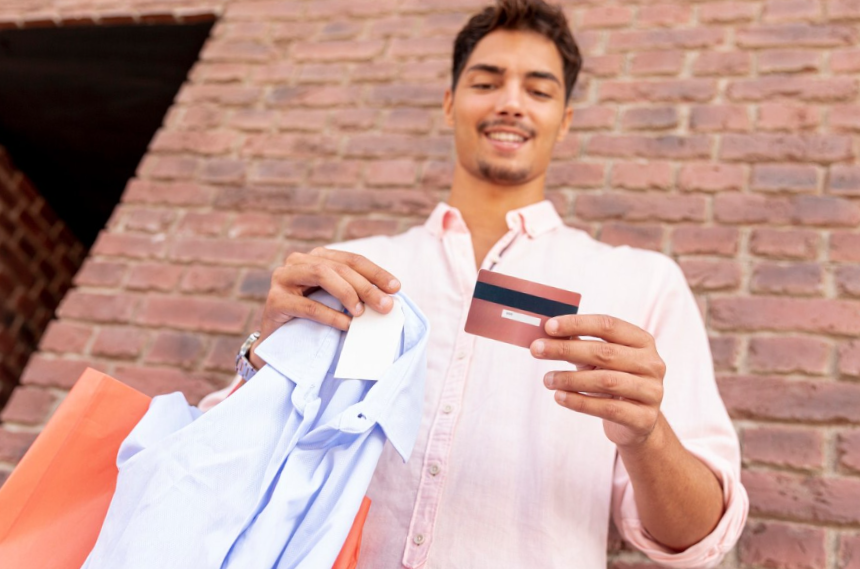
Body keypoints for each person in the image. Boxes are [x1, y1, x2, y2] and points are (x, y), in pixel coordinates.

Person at [228, 0, 749, 567]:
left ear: (565, 119)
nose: (510, 103)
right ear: (450, 102)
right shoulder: (353, 270)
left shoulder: (642, 283)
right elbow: (227, 470)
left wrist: (648, 437)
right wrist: (263, 352)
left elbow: (696, 540)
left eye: (540, 90)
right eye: (486, 82)